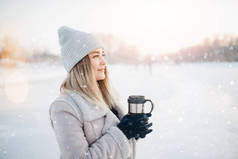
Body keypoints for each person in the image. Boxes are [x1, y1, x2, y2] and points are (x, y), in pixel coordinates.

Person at [49, 26, 153, 159]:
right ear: (80, 63)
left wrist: (133, 131)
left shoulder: (104, 96)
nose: (104, 62)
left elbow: (116, 143)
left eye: (102, 55)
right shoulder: (64, 107)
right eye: (96, 56)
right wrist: (124, 132)